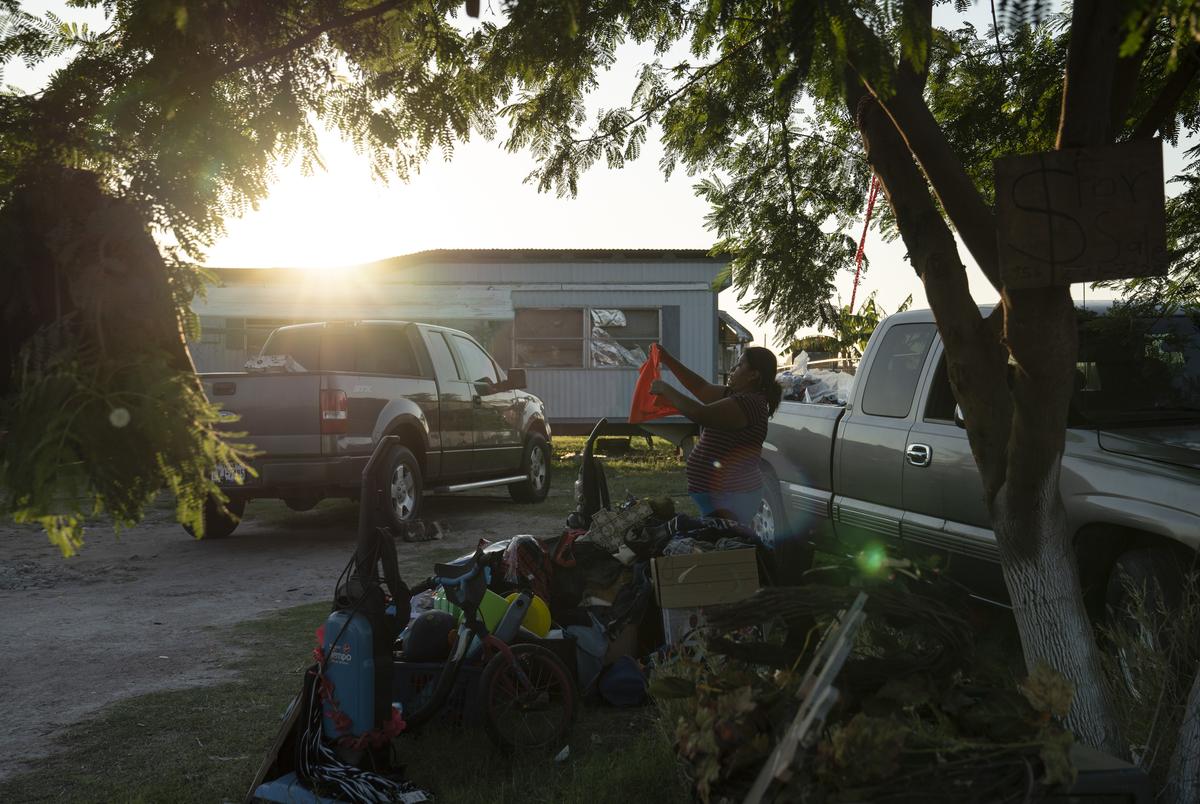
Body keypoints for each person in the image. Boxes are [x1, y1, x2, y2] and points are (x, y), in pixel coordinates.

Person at [649, 346, 782, 524]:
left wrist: (666, 389)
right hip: (724, 496)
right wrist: (667, 359)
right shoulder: (737, 395)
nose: (732, 369)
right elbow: (701, 388)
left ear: (753, 375)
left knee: (726, 546)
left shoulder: (749, 403)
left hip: (733, 496)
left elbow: (701, 414)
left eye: (740, 365)